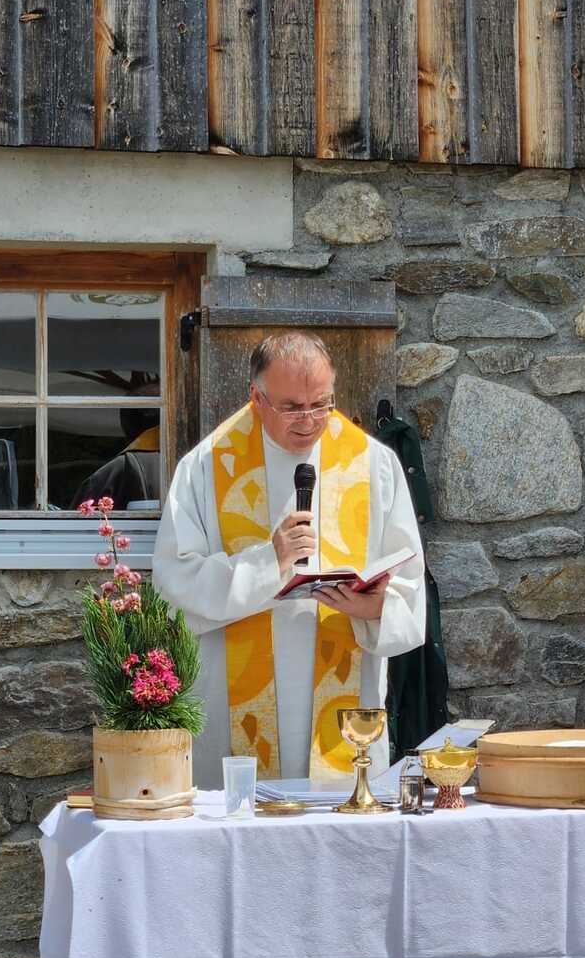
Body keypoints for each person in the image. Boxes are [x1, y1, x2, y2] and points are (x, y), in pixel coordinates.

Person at [152, 331, 426, 789]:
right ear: (256, 398)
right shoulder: (206, 468)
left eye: (321, 404)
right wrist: (269, 561)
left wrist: (375, 607)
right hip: (232, 714)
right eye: (293, 407)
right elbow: (175, 585)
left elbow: (410, 583)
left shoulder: (373, 465)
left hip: (344, 715)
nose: (310, 421)